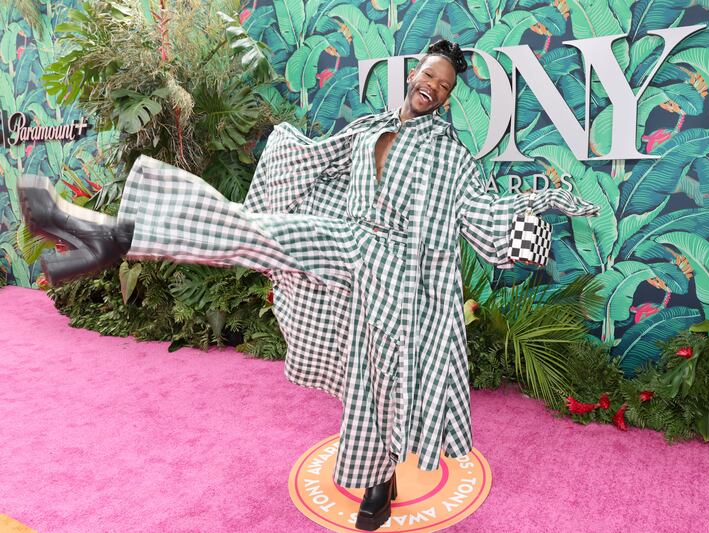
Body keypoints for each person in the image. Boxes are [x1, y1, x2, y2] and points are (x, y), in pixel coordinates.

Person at [17, 39, 599, 531]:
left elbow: (485, 220)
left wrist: (538, 207)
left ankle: (379, 479)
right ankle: (104, 233)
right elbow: (311, 161)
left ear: (448, 98)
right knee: (255, 231)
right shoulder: (369, 129)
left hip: (399, 279)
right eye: (428, 76)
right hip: (346, 240)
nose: (433, 89)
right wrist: (284, 150)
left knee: (377, 380)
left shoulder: (451, 157)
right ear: (412, 75)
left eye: (444, 87)